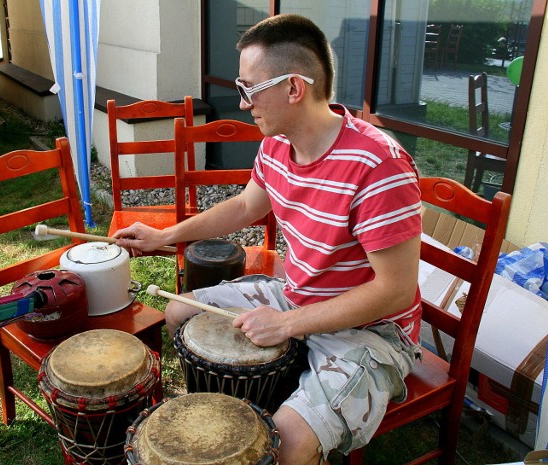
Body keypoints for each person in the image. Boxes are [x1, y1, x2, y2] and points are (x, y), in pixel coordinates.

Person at [114, 13, 422, 465]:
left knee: (287, 445)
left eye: (249, 89)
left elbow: (394, 290)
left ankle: (281, 421)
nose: (242, 103)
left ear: (293, 88)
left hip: (372, 331)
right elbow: (244, 207)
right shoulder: (277, 143)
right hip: (296, 296)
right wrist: (165, 234)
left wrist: (287, 325)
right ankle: (221, 425)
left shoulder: (379, 166)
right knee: (180, 311)